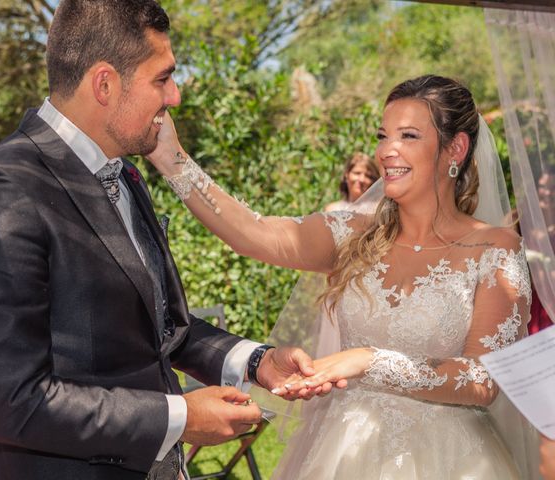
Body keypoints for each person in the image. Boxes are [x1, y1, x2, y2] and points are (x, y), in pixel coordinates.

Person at [0, 2, 323, 479]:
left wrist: (256, 362)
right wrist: (181, 417)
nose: (175, 97)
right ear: (105, 84)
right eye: (162, 79)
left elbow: (163, 328)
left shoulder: (128, 176)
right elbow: (14, 403)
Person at [146, 74, 539, 478]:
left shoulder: (495, 249)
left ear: (455, 148)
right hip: (343, 450)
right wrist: (170, 156)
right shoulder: (354, 234)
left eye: (408, 136)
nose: (387, 150)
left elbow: (482, 380)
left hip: (450, 460)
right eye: (383, 135)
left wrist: (368, 361)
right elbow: (254, 232)